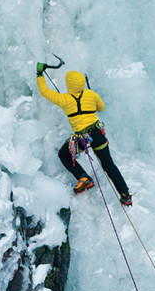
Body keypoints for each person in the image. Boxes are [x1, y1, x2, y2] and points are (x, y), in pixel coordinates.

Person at [36, 63, 132, 206]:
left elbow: (44, 91)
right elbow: (101, 108)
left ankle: (83, 178)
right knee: (108, 165)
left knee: (64, 154)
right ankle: (125, 194)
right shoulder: (91, 94)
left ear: (69, 85)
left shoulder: (64, 99)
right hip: (97, 134)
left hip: (82, 139)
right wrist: (91, 101)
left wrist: (39, 74)